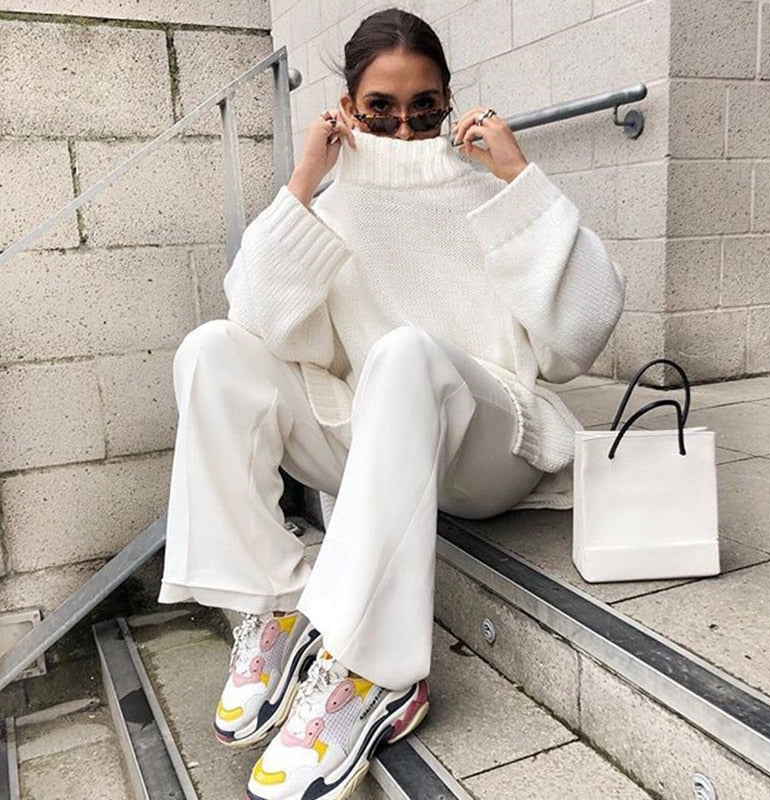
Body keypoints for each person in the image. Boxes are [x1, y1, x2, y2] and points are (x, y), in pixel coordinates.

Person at [158, 8, 624, 800]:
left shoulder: (487, 192)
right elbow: (258, 322)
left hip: (490, 449)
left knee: (406, 351)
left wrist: (520, 179)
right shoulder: (334, 204)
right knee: (210, 349)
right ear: (349, 106)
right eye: (382, 108)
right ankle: (276, 602)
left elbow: (578, 337)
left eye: (425, 107)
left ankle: (374, 673)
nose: (405, 128)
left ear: (449, 102)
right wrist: (304, 181)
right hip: (379, 439)